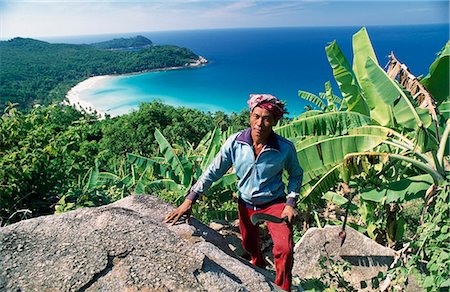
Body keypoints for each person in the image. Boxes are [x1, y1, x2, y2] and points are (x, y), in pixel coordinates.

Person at [164, 94, 303, 291]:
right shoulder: (236, 142)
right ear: (250, 116)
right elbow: (213, 171)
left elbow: (296, 174)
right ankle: (259, 264)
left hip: (275, 203)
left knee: (284, 248)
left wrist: (290, 204)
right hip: (246, 203)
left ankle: (283, 287)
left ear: (274, 121)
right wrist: (190, 199)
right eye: (256, 116)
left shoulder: (284, 148)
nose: (259, 123)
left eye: (266, 118)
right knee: (250, 246)